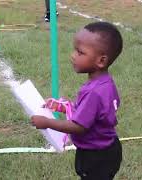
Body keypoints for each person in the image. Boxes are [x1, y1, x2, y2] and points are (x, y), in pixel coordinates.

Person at [31, 21, 123, 180]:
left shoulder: (93, 91)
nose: (73, 55)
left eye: (80, 52)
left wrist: (46, 122)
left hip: (95, 156)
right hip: (108, 149)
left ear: (101, 61)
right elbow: (92, 114)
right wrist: (63, 107)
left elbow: (79, 126)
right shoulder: (105, 83)